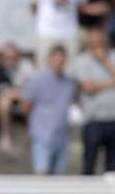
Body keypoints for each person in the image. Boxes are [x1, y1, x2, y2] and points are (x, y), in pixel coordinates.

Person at [70, 26, 115, 174]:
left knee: (113, 167)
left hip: (114, 117)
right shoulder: (81, 60)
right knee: (89, 163)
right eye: (94, 43)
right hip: (93, 119)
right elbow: (89, 87)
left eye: (100, 42)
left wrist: (105, 61)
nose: (98, 46)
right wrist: (113, 83)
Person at [20, 45, 76, 175]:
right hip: (42, 135)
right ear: (49, 59)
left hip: (62, 137)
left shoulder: (69, 83)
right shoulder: (37, 80)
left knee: (58, 179)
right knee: (42, 174)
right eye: (56, 60)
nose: (59, 64)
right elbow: (25, 106)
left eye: (62, 61)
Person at [0, 42, 35, 153]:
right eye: (6, 58)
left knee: (29, 102)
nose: (9, 61)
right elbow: (1, 92)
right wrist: (16, 93)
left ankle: (33, 137)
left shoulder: (27, 68)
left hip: (23, 101)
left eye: (13, 57)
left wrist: (17, 93)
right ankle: (5, 137)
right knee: (4, 102)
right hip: (2, 103)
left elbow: (33, 90)